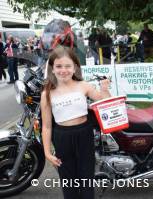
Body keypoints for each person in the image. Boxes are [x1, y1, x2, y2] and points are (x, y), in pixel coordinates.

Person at [41, 46, 111, 199]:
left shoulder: (83, 86)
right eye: (59, 66)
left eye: (68, 66)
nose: (63, 70)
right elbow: (46, 126)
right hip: (62, 138)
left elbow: (103, 101)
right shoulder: (47, 93)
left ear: (75, 68)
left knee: (86, 180)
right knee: (68, 182)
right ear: (52, 69)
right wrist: (47, 152)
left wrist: (104, 89)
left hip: (84, 135)